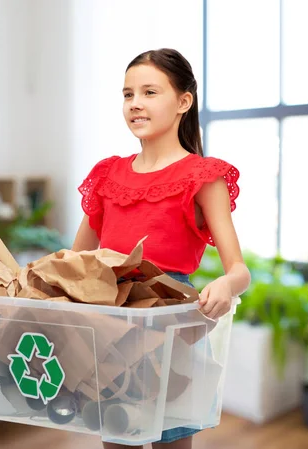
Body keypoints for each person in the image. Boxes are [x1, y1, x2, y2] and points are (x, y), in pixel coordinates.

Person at [72, 48, 251, 448]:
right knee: (116, 439)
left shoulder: (204, 176)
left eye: (149, 92)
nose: (135, 103)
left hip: (170, 328)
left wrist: (225, 285)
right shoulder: (107, 175)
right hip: (110, 326)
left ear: (183, 102)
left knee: (171, 442)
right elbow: (74, 264)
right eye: (127, 94)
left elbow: (239, 271)